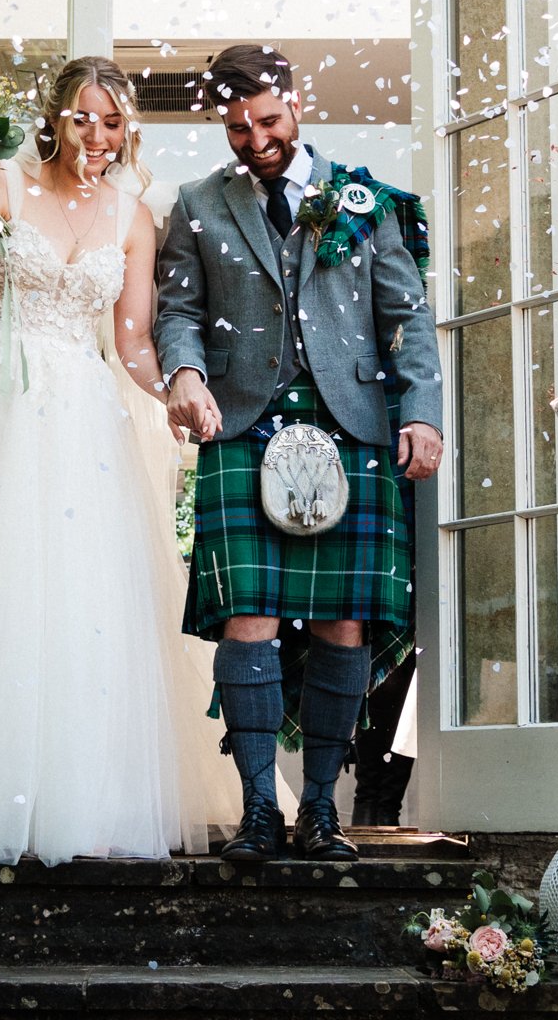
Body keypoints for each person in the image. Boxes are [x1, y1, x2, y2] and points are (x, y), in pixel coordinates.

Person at [0, 57, 208, 866]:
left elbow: (130, 339)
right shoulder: (1, 184)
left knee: (84, 596)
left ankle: (83, 801)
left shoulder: (135, 218)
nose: (95, 137)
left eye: (111, 122)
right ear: (55, 118)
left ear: (126, 129)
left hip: (84, 412)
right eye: (80, 118)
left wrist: (171, 389)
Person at [153, 45, 442, 864]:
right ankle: (255, 811)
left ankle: (321, 809)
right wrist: (183, 372)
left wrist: (422, 412)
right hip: (242, 425)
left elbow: (408, 318)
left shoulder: (364, 197)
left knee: (342, 622)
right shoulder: (198, 204)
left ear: (296, 102)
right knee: (248, 617)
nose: (255, 139)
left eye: (269, 120)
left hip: (351, 424)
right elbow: (178, 310)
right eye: (237, 127)